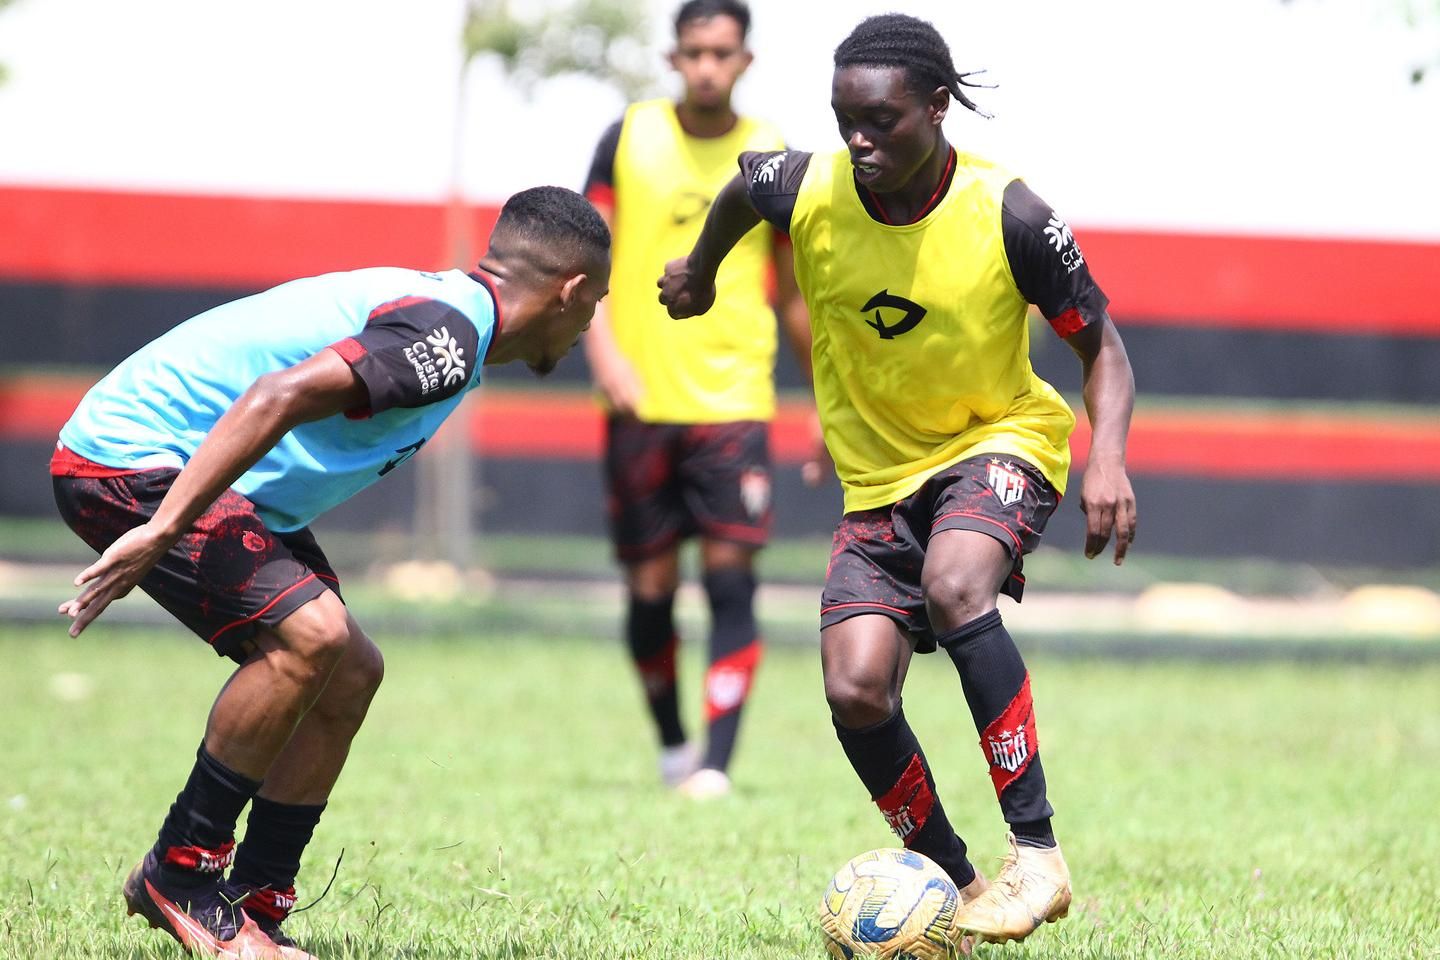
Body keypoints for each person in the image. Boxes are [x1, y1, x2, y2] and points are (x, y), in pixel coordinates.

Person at [658, 13, 1137, 947]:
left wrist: (1107, 454)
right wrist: (705, 273)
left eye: (881, 121)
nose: (859, 141)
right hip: (878, 479)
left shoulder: (1014, 215)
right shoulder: (804, 185)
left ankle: (1035, 853)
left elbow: (1103, 348)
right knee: (856, 689)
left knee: (957, 587)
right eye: (845, 120)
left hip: (998, 440)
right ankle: (958, 890)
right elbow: (743, 190)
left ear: (938, 105)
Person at [52, 186, 610, 960]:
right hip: (132, 461)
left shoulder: (453, 324)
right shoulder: (446, 336)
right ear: (571, 290)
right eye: (595, 307)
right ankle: (179, 874)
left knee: (349, 671)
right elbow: (277, 394)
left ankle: (256, 903)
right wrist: (166, 526)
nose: (590, 330)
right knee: (308, 636)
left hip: (193, 476)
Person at [582, 0, 816, 799]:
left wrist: (823, 399)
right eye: (694, 52)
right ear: (673, 58)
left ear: (744, 60)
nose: (708, 65)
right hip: (640, 402)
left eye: (722, 52)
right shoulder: (628, 138)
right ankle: (675, 744)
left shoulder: (775, 155)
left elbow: (793, 292)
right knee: (649, 593)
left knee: (730, 582)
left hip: (735, 401)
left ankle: (716, 764)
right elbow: (588, 260)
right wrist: (604, 351)